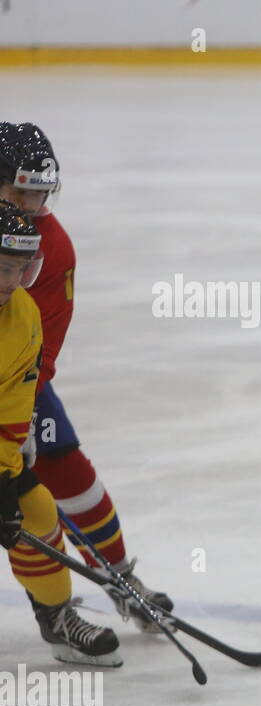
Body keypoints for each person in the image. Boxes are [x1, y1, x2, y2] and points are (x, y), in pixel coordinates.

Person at [0, 122, 173, 632]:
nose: (32, 206)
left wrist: (23, 413)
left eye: (41, 193)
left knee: (61, 466)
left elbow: (40, 344)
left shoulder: (50, 247)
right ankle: (51, 608)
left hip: (13, 378)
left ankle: (117, 577)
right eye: (21, 191)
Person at [0, 199, 120, 666]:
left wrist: (5, 478)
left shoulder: (24, 316)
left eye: (20, 270)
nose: (11, 282)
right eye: (3, 268)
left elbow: (12, 405)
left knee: (37, 507)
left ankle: (57, 618)